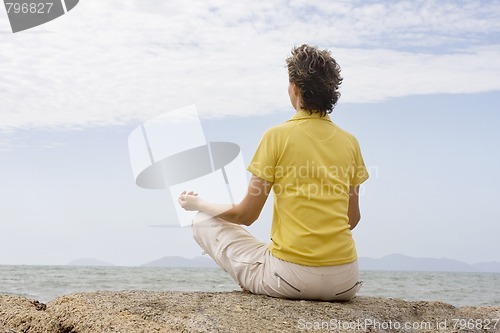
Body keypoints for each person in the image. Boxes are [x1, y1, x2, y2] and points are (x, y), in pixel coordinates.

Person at [178, 44, 369, 301]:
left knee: (202, 219)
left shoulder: (276, 136)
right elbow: (352, 219)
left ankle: (255, 279)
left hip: (292, 280)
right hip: (345, 281)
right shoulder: (350, 142)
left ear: (295, 88)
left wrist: (197, 202)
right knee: (270, 250)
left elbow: (246, 215)